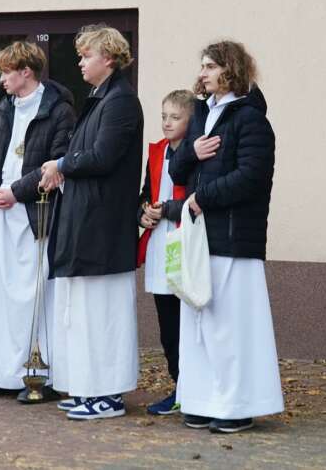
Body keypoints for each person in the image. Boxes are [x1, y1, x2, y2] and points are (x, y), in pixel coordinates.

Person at [169, 40, 284, 434]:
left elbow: (252, 177)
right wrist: (192, 153)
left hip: (235, 237)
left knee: (231, 329)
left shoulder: (251, 120)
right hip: (202, 235)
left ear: (230, 69)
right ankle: (201, 401)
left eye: (209, 66)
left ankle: (237, 405)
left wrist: (205, 197)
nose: (202, 73)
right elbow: (176, 171)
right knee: (199, 325)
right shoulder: (202, 115)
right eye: (201, 66)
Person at [39, 24, 143, 420]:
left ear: (109, 59)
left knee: (104, 313)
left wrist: (62, 163)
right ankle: (87, 386)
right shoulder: (100, 99)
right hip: (86, 222)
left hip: (103, 226)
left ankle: (108, 393)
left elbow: (102, 156)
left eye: (86, 55)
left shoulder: (120, 102)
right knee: (82, 313)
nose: (80, 62)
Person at [0, 42, 76, 402]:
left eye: (6, 72)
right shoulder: (4, 110)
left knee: (35, 295)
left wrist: (17, 191)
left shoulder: (59, 111)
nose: (2, 79)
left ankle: (36, 375)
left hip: (37, 212)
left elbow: (57, 162)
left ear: (26, 72)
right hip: (3, 211)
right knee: (2, 296)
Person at [137, 89, 194, 416]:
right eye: (163, 116)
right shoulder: (157, 151)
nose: (167, 123)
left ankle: (191, 386)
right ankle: (177, 386)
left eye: (175, 117)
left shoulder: (195, 152)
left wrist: (169, 210)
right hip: (159, 242)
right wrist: (143, 212)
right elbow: (147, 192)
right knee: (168, 323)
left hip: (184, 242)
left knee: (187, 318)